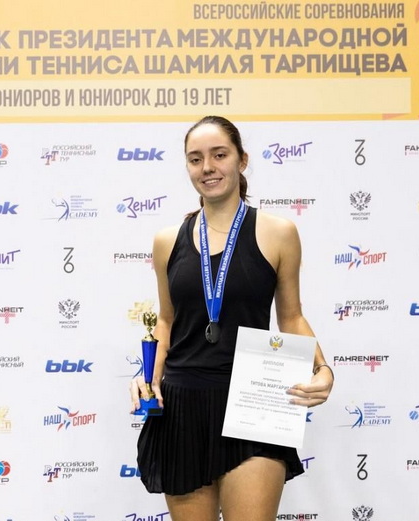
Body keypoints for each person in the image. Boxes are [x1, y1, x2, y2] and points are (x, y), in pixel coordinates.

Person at [129, 115, 333, 521]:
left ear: (242, 160)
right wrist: (147, 374)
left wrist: (322, 368)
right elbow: (167, 321)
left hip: (256, 400)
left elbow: (291, 317)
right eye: (195, 159)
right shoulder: (167, 240)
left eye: (219, 155)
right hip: (182, 406)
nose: (207, 167)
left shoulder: (279, 232)